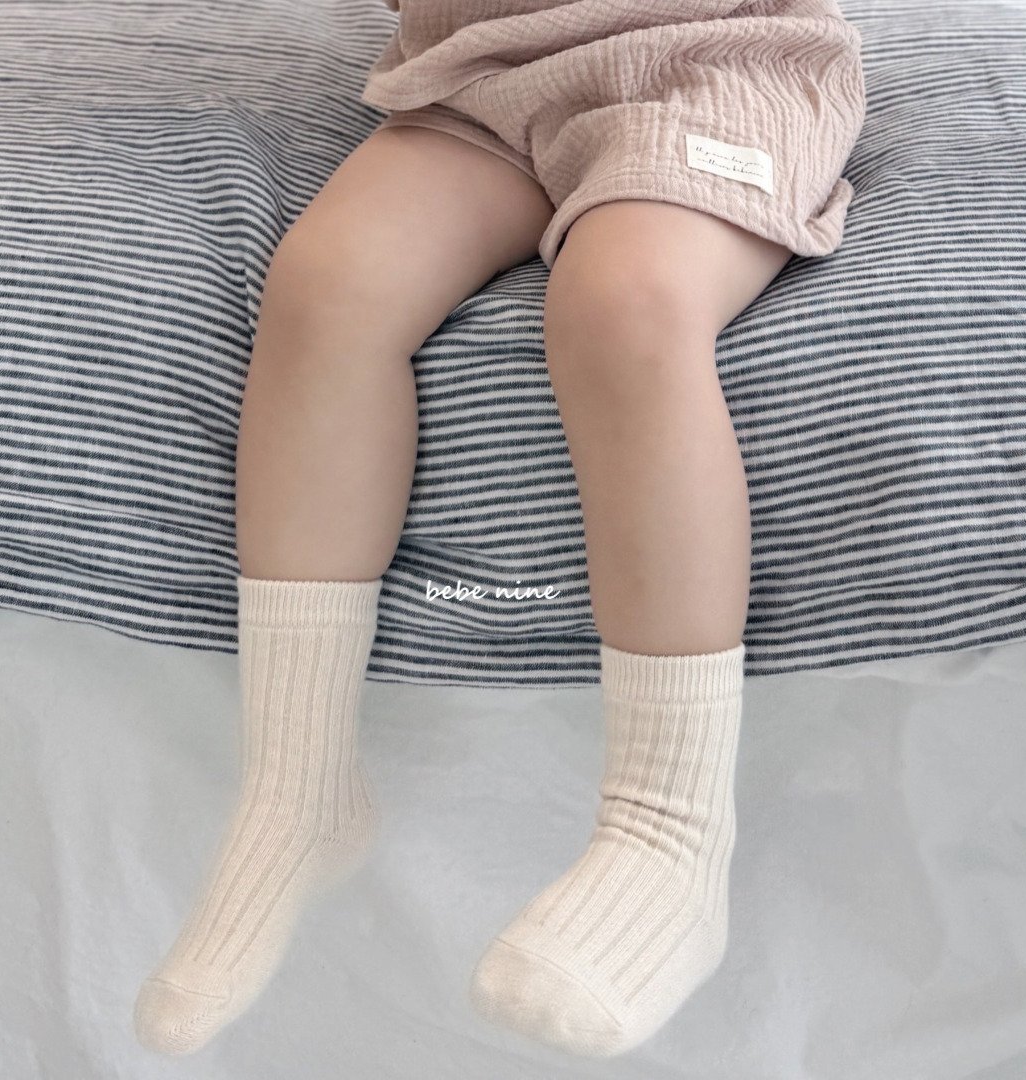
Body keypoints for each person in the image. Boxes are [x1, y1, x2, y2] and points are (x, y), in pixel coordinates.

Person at [133, 0, 867, 1060]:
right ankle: (296, 787)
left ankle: (669, 828)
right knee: (327, 288)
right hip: (485, 73)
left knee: (623, 304)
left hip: (717, 66)